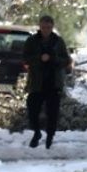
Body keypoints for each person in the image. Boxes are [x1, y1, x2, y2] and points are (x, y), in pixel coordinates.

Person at [22, 15, 73, 148]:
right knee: (32, 110)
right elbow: (25, 58)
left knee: (52, 113)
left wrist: (53, 59)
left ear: (52, 27)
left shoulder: (58, 41)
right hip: (36, 82)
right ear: (40, 27)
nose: (46, 30)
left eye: (48, 27)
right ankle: (37, 132)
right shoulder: (32, 41)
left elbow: (66, 60)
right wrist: (39, 58)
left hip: (53, 82)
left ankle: (50, 137)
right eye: (44, 27)